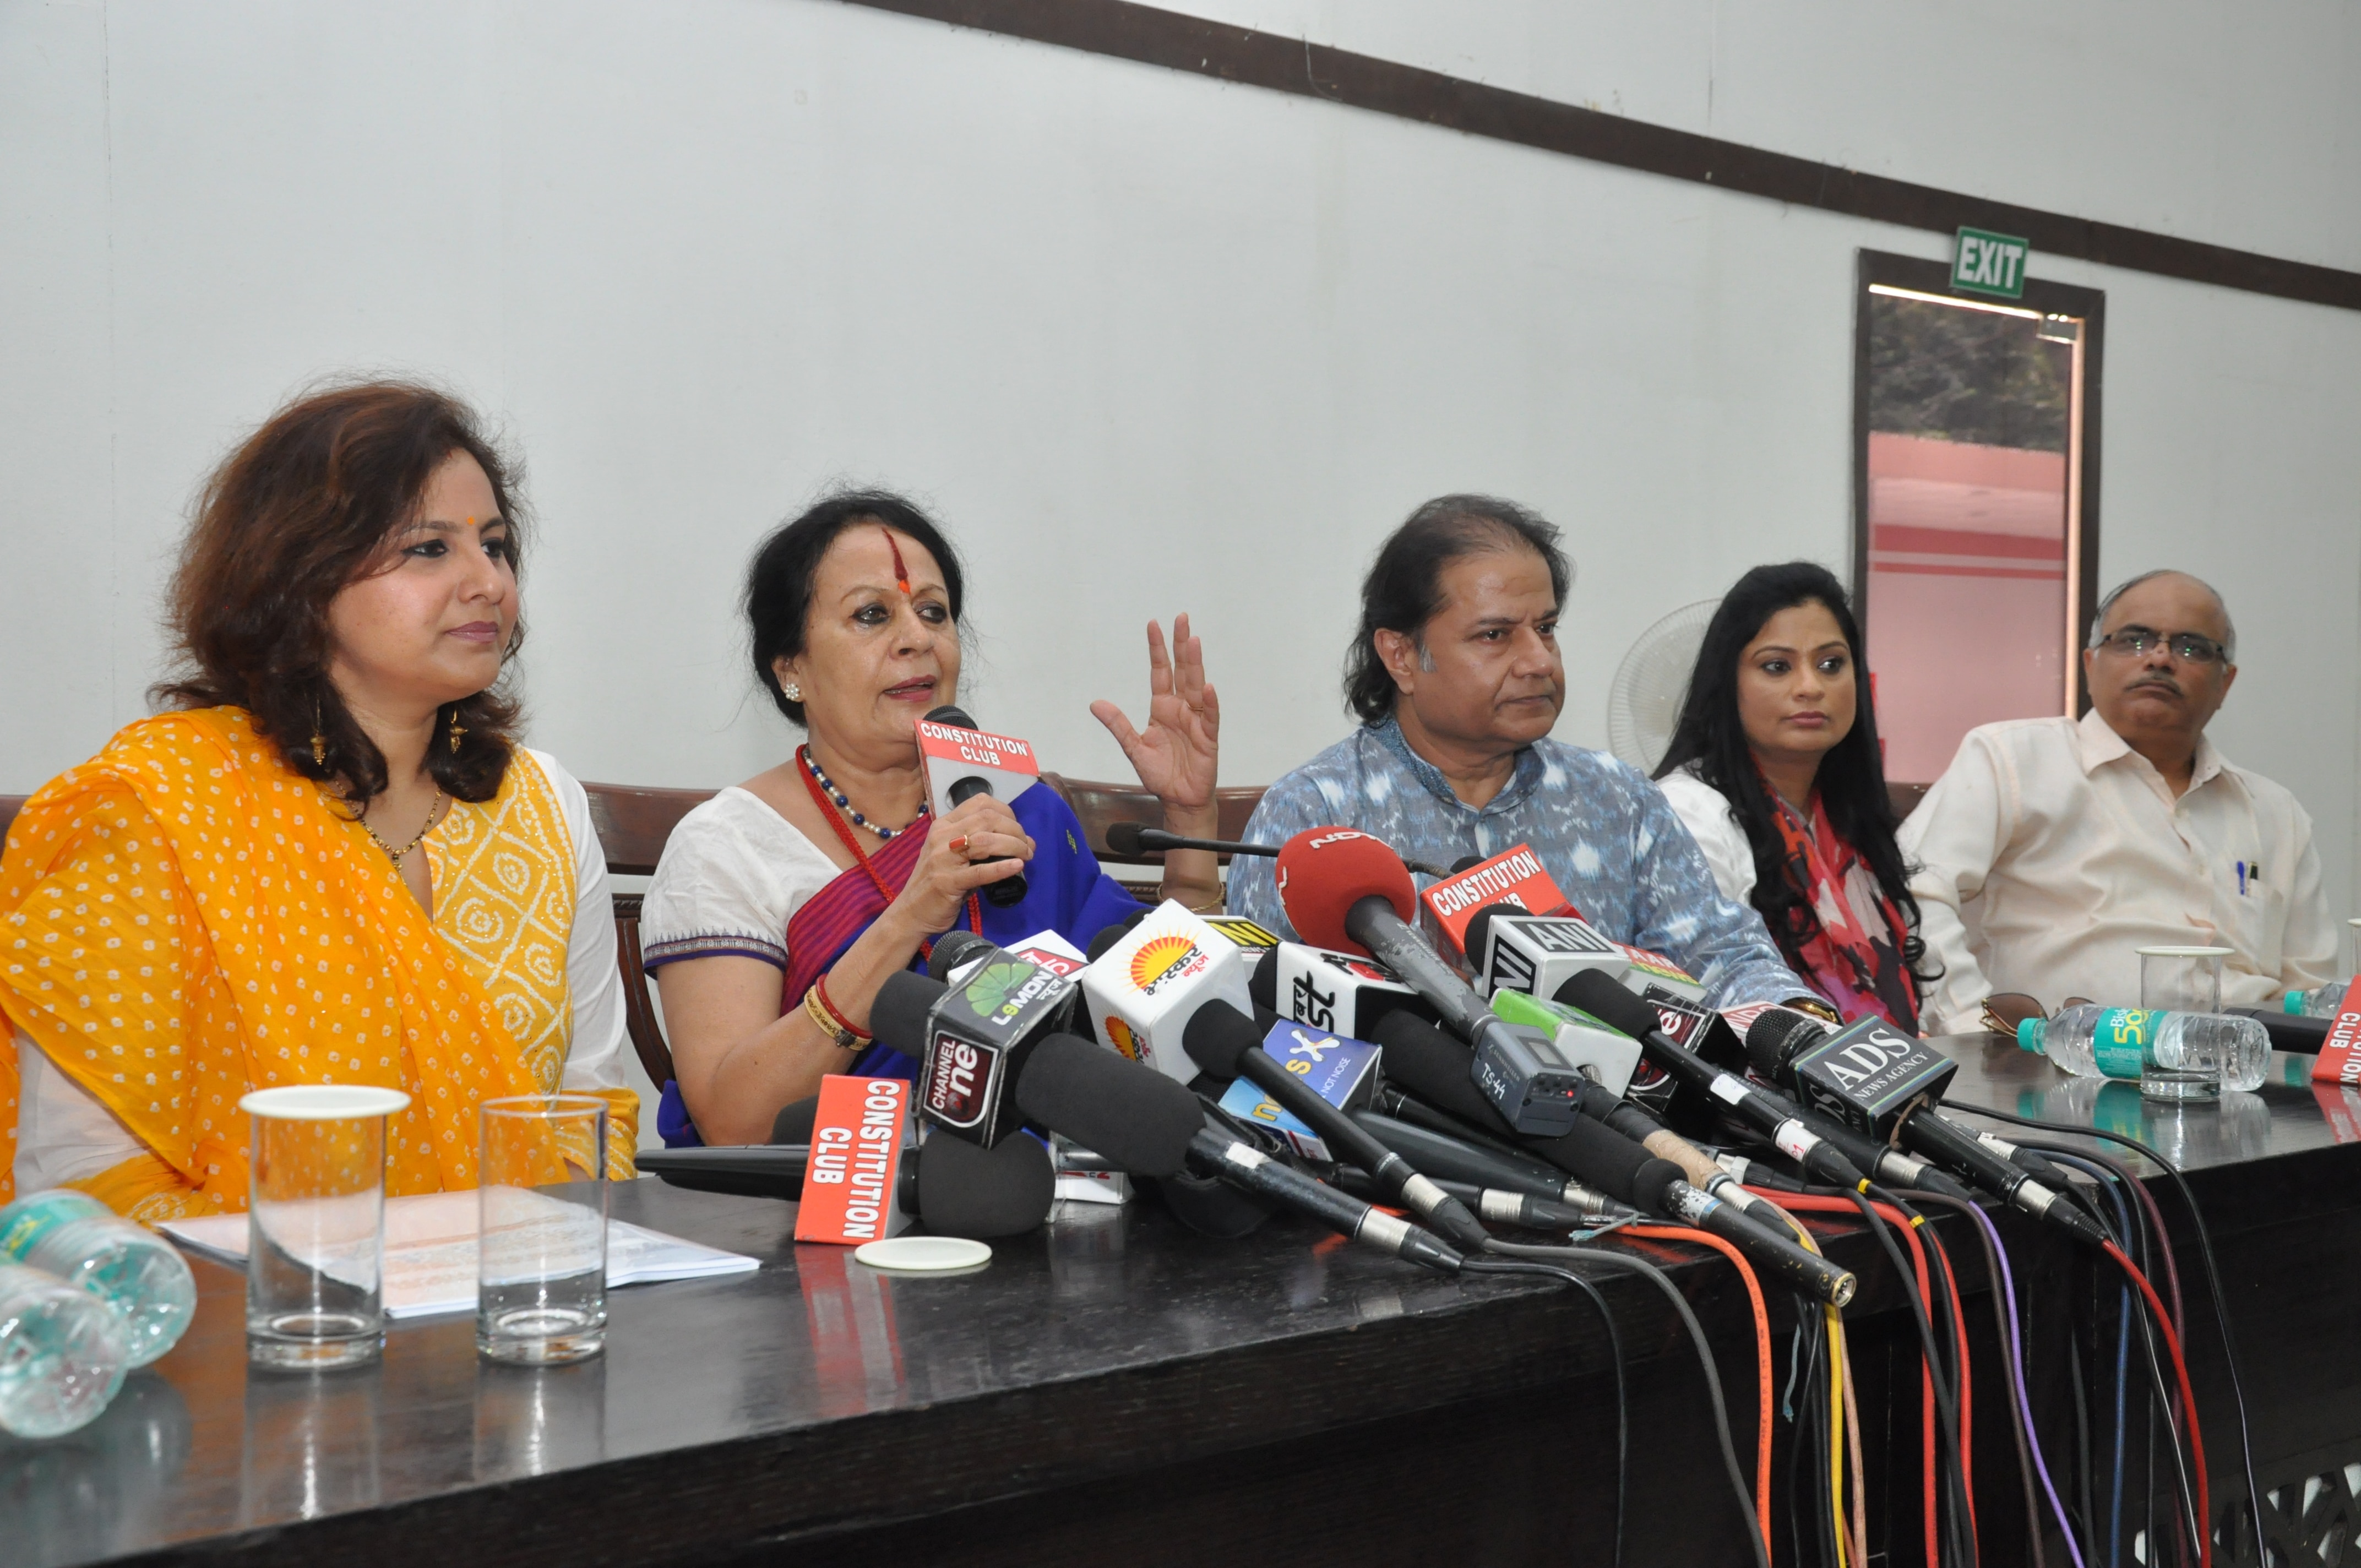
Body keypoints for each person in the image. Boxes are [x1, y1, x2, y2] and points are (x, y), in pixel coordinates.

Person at [0, 382, 638, 1219]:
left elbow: (587, 1118)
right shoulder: (159, 810)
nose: (488, 582)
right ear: (301, 574)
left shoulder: (542, 808)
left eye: (496, 544)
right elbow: (86, 1177)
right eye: (428, 549)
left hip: (513, 1304)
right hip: (248, 1317)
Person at [640, 491, 1221, 1146]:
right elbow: (735, 1121)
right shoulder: (726, 847)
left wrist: (1190, 819)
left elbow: (1164, 1014)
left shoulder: (1019, 810)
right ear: (791, 668)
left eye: (933, 613)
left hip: (1035, 1195)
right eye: (870, 615)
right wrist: (913, 913)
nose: (917, 639)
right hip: (820, 1216)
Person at [1228, 494, 1815, 1010]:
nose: (1539, 660)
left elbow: (1724, 959)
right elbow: (1264, 1010)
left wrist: (1798, 1024)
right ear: (1401, 656)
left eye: (1547, 629)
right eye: (1495, 635)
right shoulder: (1314, 817)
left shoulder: (1615, 798)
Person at [1900, 569, 2334, 1033]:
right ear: (2090, 664)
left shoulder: (2275, 813)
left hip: (2243, 1072)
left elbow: (2312, 990)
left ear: (2225, 683)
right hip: (2056, 1074)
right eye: (2134, 640)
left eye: (2192, 647)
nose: (2161, 659)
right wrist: (1974, 1028)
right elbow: (1913, 890)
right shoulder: (2013, 760)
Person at [1653, 564, 1926, 1032]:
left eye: (1831, 664)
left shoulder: (1848, 823)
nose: (1810, 687)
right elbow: (1694, 1001)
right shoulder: (1687, 813)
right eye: (1777, 667)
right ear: (1727, 685)